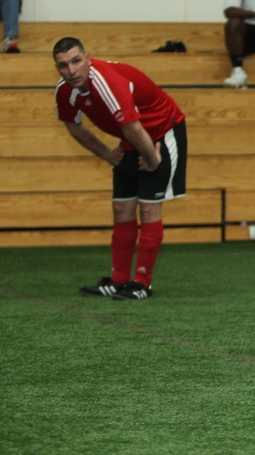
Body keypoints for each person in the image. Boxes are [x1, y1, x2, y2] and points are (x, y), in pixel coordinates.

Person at [53, 37, 187, 300]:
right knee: (121, 207)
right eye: (63, 65)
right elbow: (73, 125)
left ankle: (142, 283)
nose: (72, 70)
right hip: (131, 136)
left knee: (148, 207)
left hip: (162, 132)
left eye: (77, 61)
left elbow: (134, 127)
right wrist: (105, 153)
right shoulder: (65, 91)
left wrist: (152, 159)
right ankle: (118, 280)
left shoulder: (106, 82)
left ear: (88, 58)